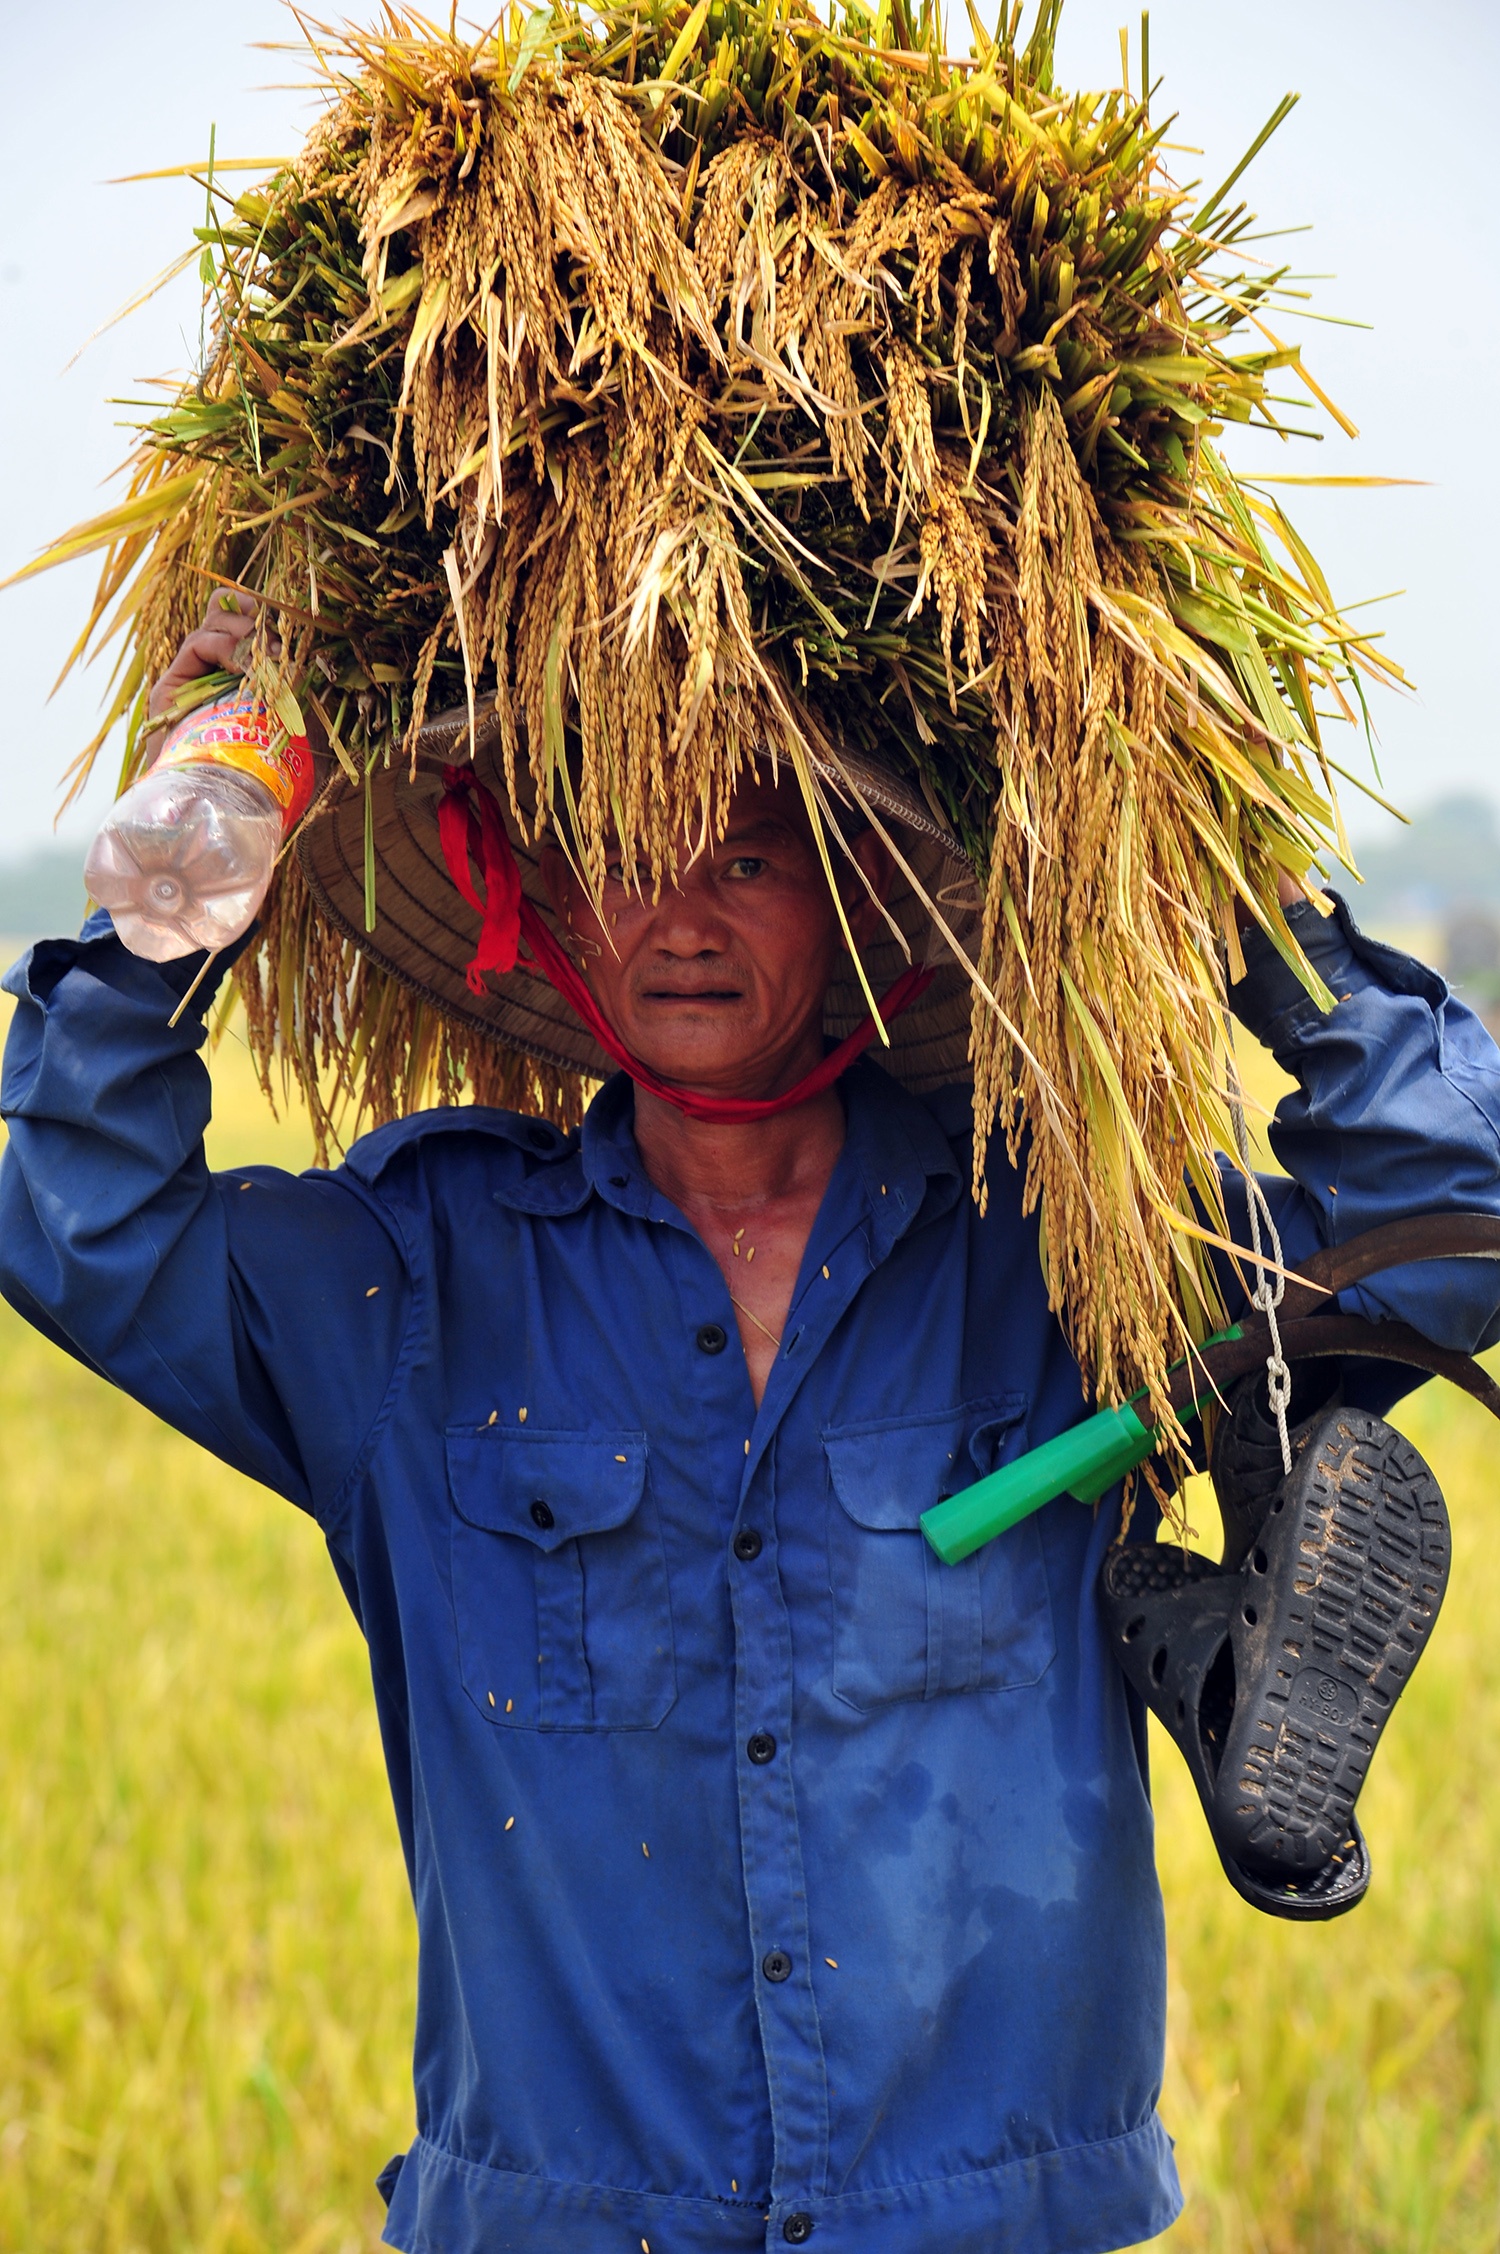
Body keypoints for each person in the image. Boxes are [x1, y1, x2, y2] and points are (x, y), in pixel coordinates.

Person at [3, 597, 1500, 2254]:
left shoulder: (1070, 1250)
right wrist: (191, 858)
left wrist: (1240, 897)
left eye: (749, 864)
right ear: (557, 898)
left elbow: (1446, 1221)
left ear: (867, 902)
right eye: (635, 857)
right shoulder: (420, 1282)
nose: (683, 919)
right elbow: (89, 1225)